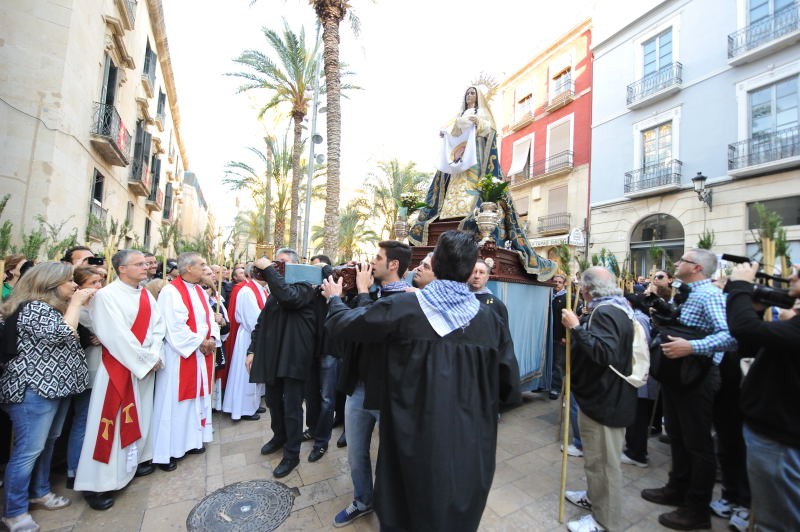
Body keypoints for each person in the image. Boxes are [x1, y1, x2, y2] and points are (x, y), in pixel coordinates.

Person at [322, 230, 519, 532]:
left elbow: (344, 325)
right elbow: (508, 388)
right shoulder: (490, 321)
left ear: (436, 265)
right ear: (469, 271)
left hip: (411, 439)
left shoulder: (404, 309)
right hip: (469, 445)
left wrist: (335, 300)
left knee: (407, 513)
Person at [408, 87, 556, 281]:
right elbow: (452, 135)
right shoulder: (459, 115)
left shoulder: (482, 113)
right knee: (453, 188)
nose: (469, 96)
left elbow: (491, 131)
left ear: (478, 97)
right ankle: (446, 212)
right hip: (459, 161)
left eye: (473, 94)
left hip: (475, 158)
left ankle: (472, 208)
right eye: (467, 93)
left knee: (472, 187)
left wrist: (479, 124)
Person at [641, 249, 737, 530]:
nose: (676, 264)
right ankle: (677, 488)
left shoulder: (710, 295)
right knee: (679, 437)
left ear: (696, 268)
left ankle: (697, 510)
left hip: (698, 378)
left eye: (682, 261)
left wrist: (692, 346)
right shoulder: (689, 292)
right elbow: (689, 325)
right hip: (679, 376)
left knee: (698, 444)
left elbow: (729, 336)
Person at [0, 262, 95, 532]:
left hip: (56, 388)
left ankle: (39, 491)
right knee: (27, 451)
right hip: (34, 390)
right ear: (50, 284)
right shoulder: (33, 308)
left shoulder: (51, 308)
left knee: (48, 444)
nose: (75, 286)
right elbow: (64, 334)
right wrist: (77, 303)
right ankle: (14, 512)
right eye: (69, 282)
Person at [73, 251, 165, 511]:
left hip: (144, 366)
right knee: (109, 424)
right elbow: (114, 335)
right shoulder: (106, 296)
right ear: (122, 269)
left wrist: (153, 355)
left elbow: (158, 328)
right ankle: (98, 483)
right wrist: (145, 359)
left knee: (141, 414)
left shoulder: (146, 294)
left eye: (146, 264)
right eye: (139, 264)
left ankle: (132, 463)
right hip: (119, 368)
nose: (146, 267)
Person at [331, 241, 412, 527]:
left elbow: (372, 328)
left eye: (378, 258)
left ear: (393, 265)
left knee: (391, 458)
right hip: (359, 389)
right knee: (355, 452)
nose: (371, 262)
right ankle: (363, 500)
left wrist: (363, 291)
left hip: (387, 393)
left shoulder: (408, 299)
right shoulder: (372, 293)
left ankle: (393, 511)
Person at [561, 266, 637, 532]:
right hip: (603, 398)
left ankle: (605, 520)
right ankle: (594, 499)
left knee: (605, 464)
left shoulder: (606, 312)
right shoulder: (617, 308)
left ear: (587, 288)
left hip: (606, 400)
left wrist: (577, 328)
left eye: (581, 284)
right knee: (595, 459)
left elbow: (603, 354)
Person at [724, 262, 799, 531]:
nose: (793, 273)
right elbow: (753, 340)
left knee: (776, 522)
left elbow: (743, 329)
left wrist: (741, 286)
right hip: (772, 431)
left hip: (780, 439)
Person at [246, 248, 325, 479]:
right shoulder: (275, 294)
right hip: (272, 357)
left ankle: (292, 454)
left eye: (282, 264)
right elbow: (261, 323)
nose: (276, 268)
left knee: (292, 407)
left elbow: (290, 298)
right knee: (272, 401)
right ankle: (279, 436)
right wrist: (252, 350)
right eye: (274, 264)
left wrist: (269, 270)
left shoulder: (305, 289)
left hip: (294, 358)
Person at [150, 252, 216, 471]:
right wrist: (199, 342)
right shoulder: (170, 292)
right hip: (180, 356)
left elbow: (209, 319)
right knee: (174, 404)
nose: (206, 268)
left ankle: (192, 441)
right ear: (188, 268)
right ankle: (168, 451)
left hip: (199, 354)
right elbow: (173, 326)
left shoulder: (199, 290)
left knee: (196, 400)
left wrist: (212, 338)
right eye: (202, 264)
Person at [64, 267, 104, 492]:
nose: (98, 286)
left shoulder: (98, 304)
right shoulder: (75, 309)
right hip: (87, 370)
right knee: (83, 419)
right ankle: (75, 468)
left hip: (102, 368)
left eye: (100, 281)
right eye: (93, 282)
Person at [222, 264, 267, 421]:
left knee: (253, 373)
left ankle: (252, 404)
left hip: (256, 336)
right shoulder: (248, 291)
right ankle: (242, 408)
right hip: (250, 336)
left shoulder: (261, 290)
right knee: (245, 373)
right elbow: (253, 320)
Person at [550, 274, 568, 401]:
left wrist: (565, 336)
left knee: (558, 363)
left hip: (559, 335)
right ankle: (546, 384)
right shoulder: (549, 295)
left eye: (559, 282)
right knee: (549, 361)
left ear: (564, 284)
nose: (556, 284)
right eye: (555, 281)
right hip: (549, 334)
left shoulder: (567, 298)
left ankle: (556, 388)